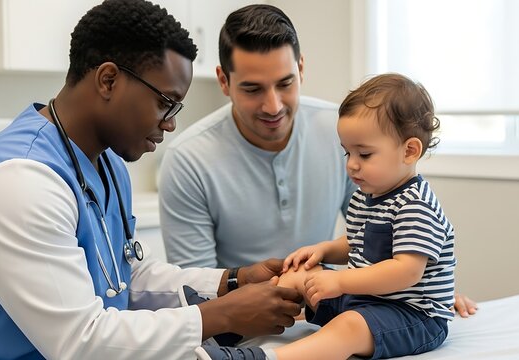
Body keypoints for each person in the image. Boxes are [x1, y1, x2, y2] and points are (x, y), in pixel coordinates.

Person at [0, 1, 301, 359]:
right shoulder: (19, 181)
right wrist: (225, 314)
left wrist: (231, 282)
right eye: (166, 102)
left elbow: (123, 277)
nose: (170, 123)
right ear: (108, 80)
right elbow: (81, 341)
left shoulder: (108, 164)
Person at [158, 4, 478, 317]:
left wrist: (426, 293)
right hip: (240, 316)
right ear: (223, 81)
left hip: (325, 298)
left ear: (301, 68)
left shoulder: (343, 134)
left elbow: (381, 233)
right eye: (253, 89)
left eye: (285, 84)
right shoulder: (187, 161)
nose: (273, 106)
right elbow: (196, 293)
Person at [196, 73, 456, 360]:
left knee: (350, 327)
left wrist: (341, 282)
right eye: (347, 153)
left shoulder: (416, 204)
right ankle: (227, 328)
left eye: (365, 155)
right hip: (366, 299)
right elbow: (359, 242)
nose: (352, 165)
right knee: (297, 276)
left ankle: (265, 358)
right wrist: (324, 250)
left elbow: (406, 271)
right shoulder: (368, 195)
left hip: (413, 316)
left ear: (409, 151)